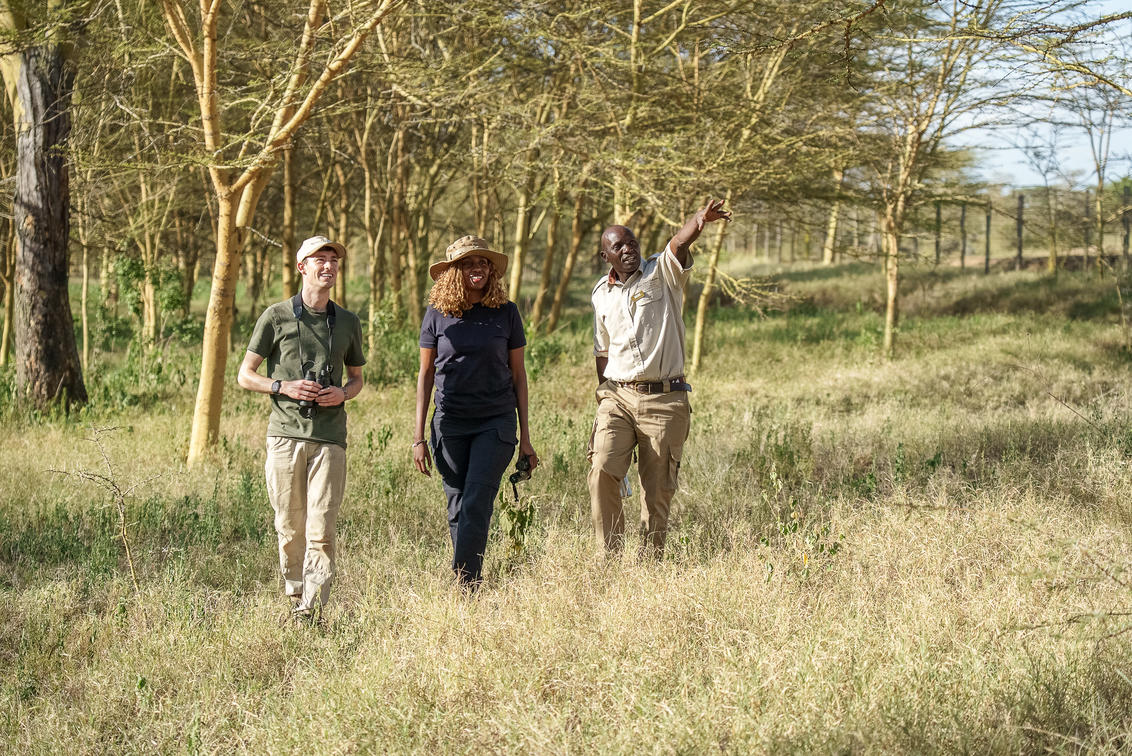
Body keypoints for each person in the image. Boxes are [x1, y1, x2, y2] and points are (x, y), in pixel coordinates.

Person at [588, 198, 731, 557]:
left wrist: (699, 220)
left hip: (665, 400)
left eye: (632, 242)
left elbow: (678, 243)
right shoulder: (601, 295)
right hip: (618, 397)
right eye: (618, 246)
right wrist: (604, 396)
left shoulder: (661, 273)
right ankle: (609, 559)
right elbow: (602, 351)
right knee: (602, 468)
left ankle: (650, 563)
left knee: (656, 493)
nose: (628, 249)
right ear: (606, 256)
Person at [237, 235, 366, 620]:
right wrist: (283, 386)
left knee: (322, 528)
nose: (329, 266)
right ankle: (295, 596)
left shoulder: (348, 322)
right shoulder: (275, 316)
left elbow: (357, 379)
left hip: (330, 439)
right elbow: (245, 375)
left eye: (334, 260)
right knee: (289, 527)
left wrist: (342, 393)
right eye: (320, 259)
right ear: (302, 267)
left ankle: (311, 609)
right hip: (284, 436)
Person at [413, 235, 538, 588]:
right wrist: (418, 438)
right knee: (457, 504)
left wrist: (526, 438)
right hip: (449, 422)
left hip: (495, 422)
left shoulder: (507, 313)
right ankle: (468, 577)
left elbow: (519, 375)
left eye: (483, 262)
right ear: (454, 271)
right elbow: (425, 375)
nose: (477, 268)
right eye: (467, 263)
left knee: (476, 501)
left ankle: (466, 583)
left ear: (491, 270)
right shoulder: (437, 315)